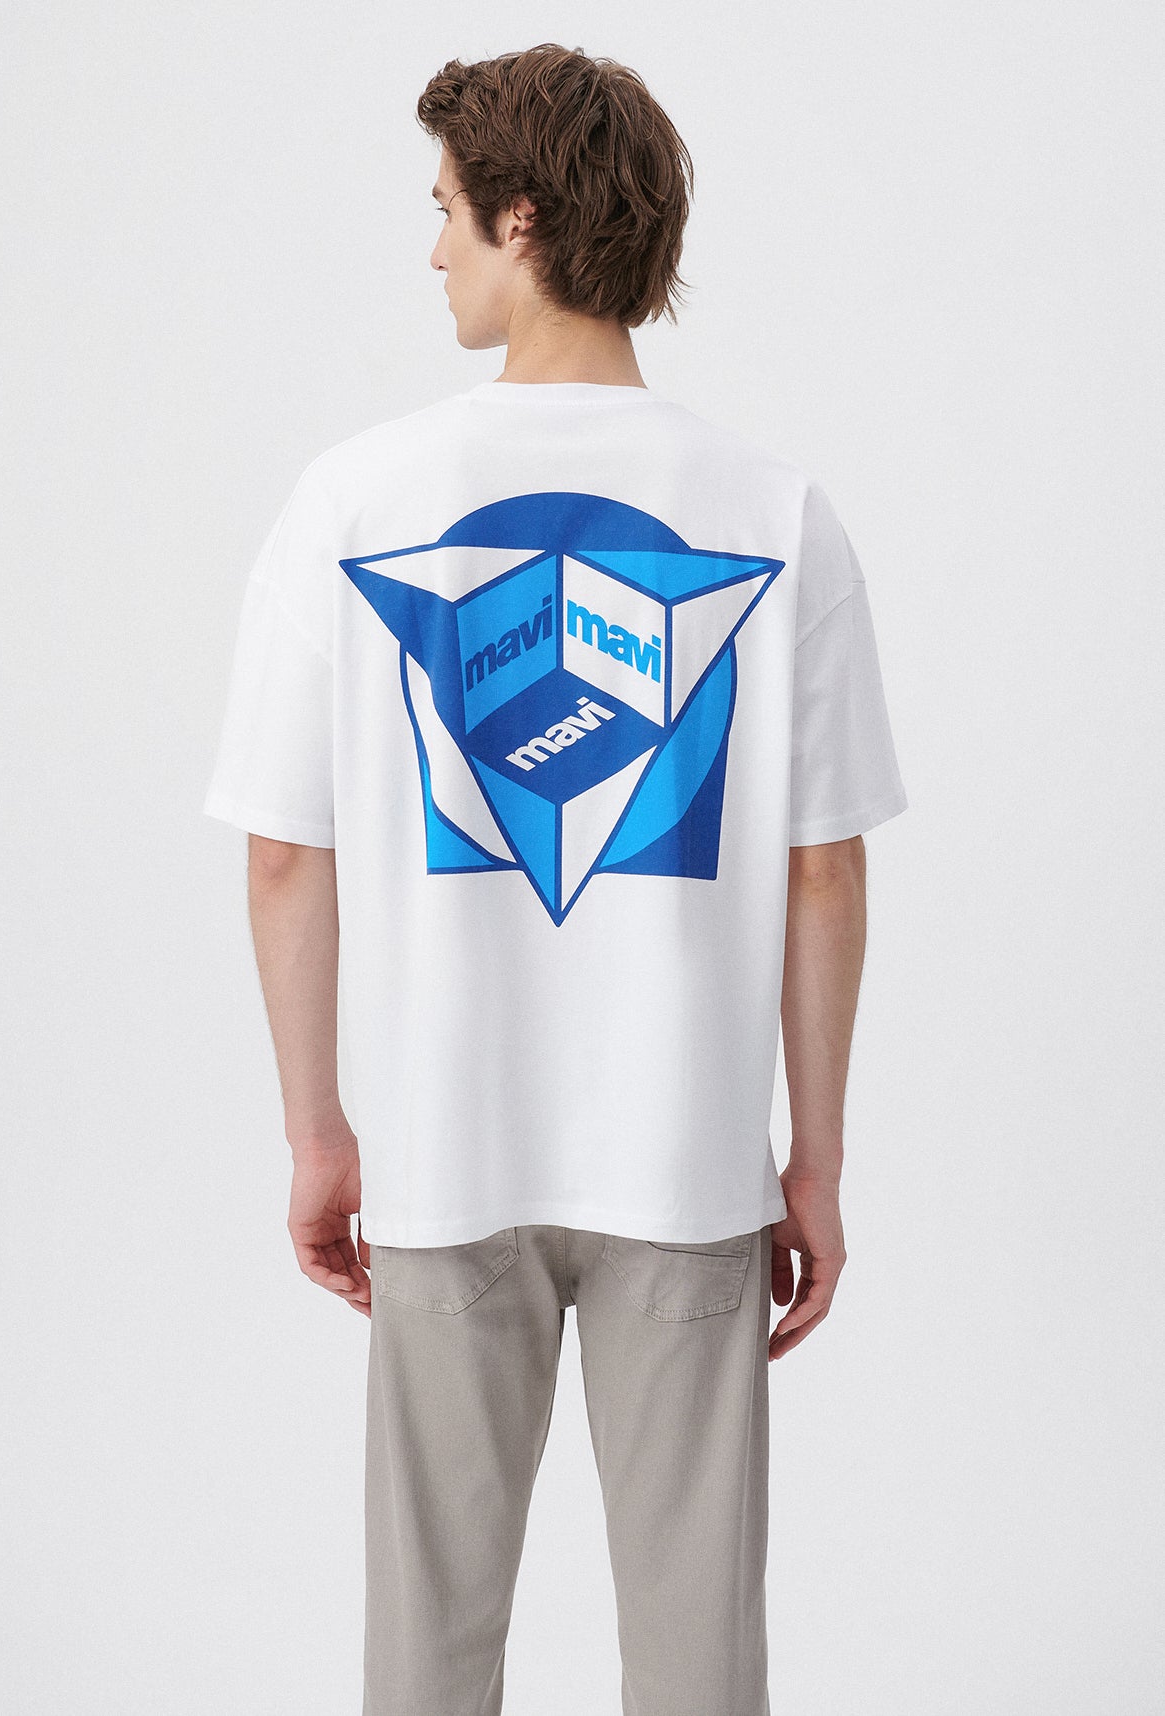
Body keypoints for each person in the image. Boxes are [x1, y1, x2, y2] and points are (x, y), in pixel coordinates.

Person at [202, 41, 909, 1716]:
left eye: (445, 209)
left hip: (447, 1150)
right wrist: (811, 1160)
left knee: (426, 1651)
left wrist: (317, 1134)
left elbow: (287, 853)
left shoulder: (350, 501)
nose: (431, 248)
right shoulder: (776, 513)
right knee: (698, 1655)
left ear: (519, 218)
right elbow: (821, 873)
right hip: (684, 1160)